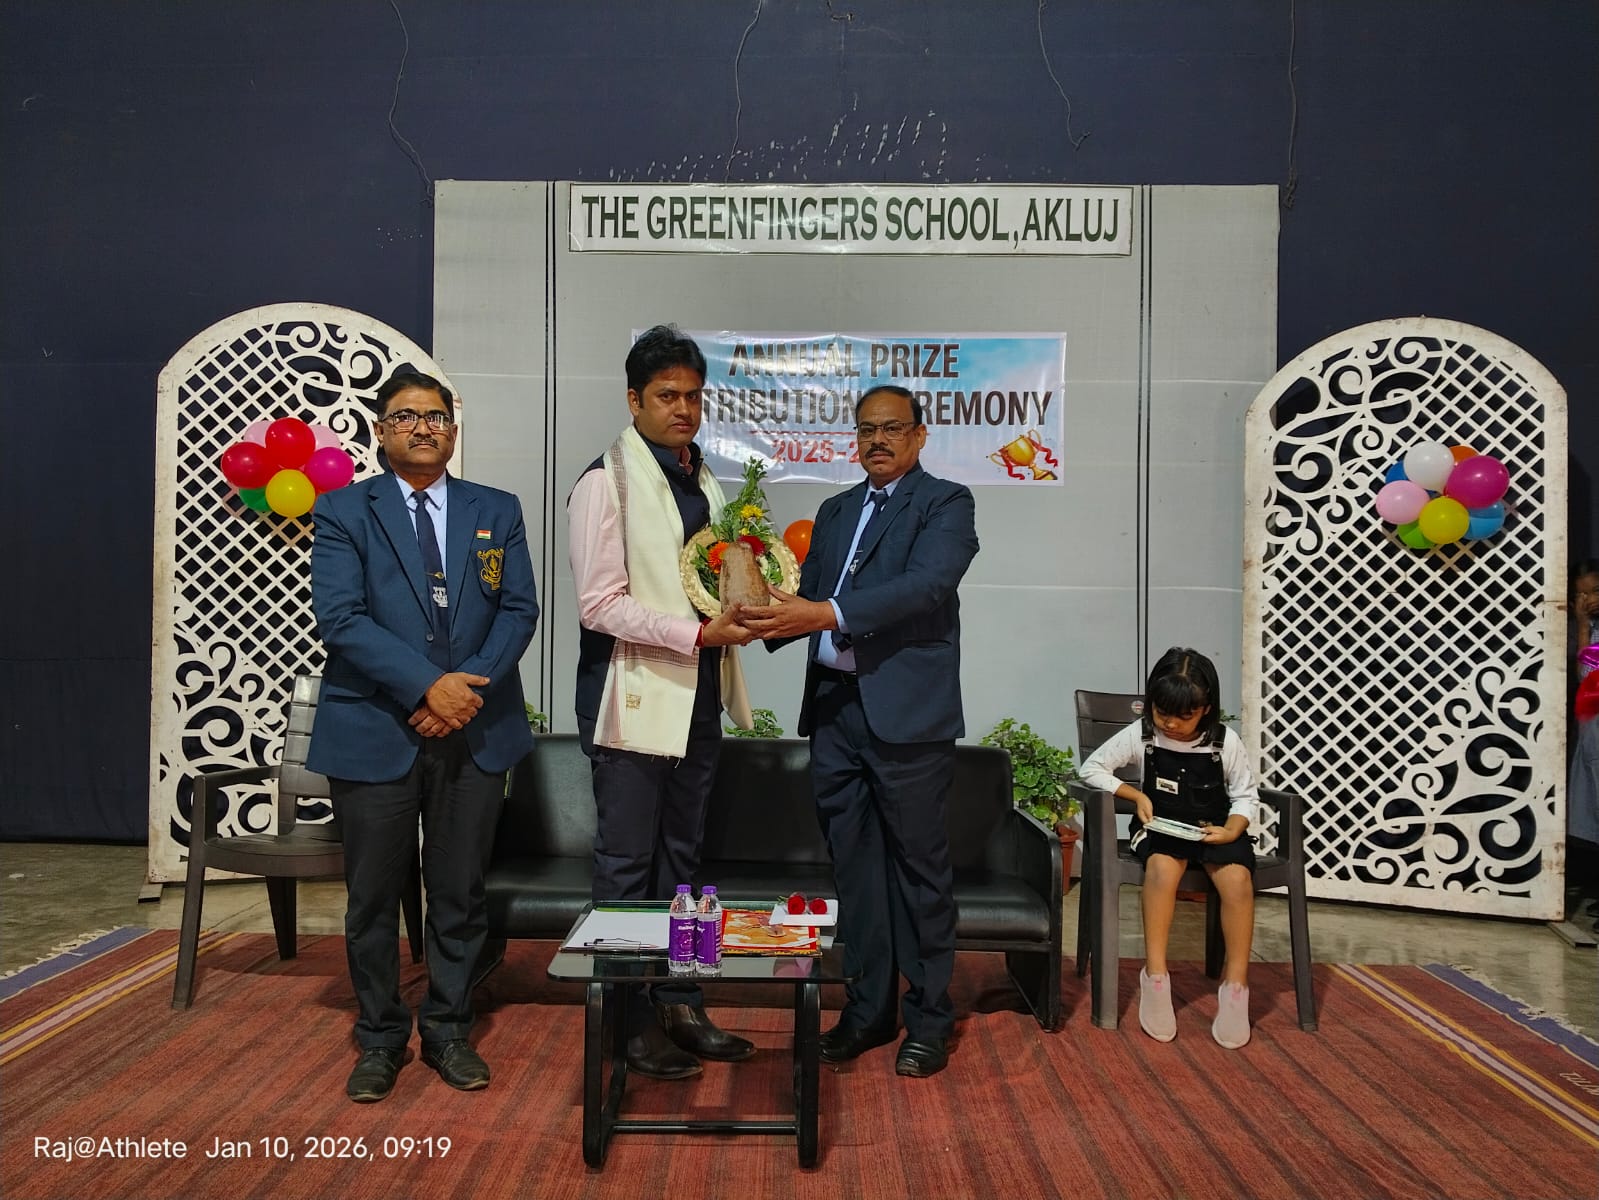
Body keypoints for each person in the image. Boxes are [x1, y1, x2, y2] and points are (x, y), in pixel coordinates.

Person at [309, 368, 539, 1102]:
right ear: (381, 431)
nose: (422, 427)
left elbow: (519, 610)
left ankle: (447, 1029)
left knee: (458, 892)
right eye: (405, 416)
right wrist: (425, 686)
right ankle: (380, 1037)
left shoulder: (495, 508)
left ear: (453, 430)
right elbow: (341, 617)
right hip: (374, 726)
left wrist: (463, 692)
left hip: (473, 726)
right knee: (373, 897)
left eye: (435, 416)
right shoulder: (343, 509)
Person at [742, 384, 978, 1078]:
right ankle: (868, 1010)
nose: (878, 440)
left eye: (893, 429)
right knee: (856, 871)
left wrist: (823, 614)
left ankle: (928, 1017)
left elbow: (925, 587)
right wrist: (744, 610)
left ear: (919, 435)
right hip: (836, 714)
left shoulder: (945, 503)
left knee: (919, 871)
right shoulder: (836, 510)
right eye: (867, 430)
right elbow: (805, 600)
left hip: (907, 720)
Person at [567, 324, 758, 1080]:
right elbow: (597, 605)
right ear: (633, 400)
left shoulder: (701, 477)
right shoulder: (604, 481)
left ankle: (683, 1000)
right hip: (632, 697)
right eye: (667, 396)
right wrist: (695, 632)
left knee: (686, 861)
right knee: (626, 866)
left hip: (697, 696)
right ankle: (625, 1021)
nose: (683, 409)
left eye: (693, 396)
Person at [1077, 647, 1260, 1048]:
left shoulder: (1224, 742)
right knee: (1162, 870)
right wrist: (1134, 795)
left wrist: (1233, 829)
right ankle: (1156, 976)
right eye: (1162, 713)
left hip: (1214, 830)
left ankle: (1236, 986)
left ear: (1206, 709)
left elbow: (1246, 796)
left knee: (1237, 881)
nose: (1171, 724)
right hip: (1160, 828)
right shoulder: (1143, 734)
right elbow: (1092, 769)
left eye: (1184, 716)